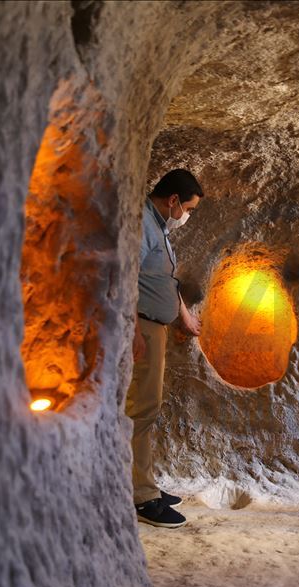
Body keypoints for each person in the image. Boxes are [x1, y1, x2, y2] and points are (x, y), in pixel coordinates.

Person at [128, 168, 204, 528]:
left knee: (149, 406)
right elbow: (126, 274)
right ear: (173, 200)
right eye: (187, 207)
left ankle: (146, 484)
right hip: (141, 325)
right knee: (141, 410)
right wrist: (132, 331)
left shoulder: (159, 225)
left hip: (154, 325)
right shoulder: (143, 222)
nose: (186, 216)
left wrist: (182, 316)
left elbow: (163, 279)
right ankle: (141, 496)